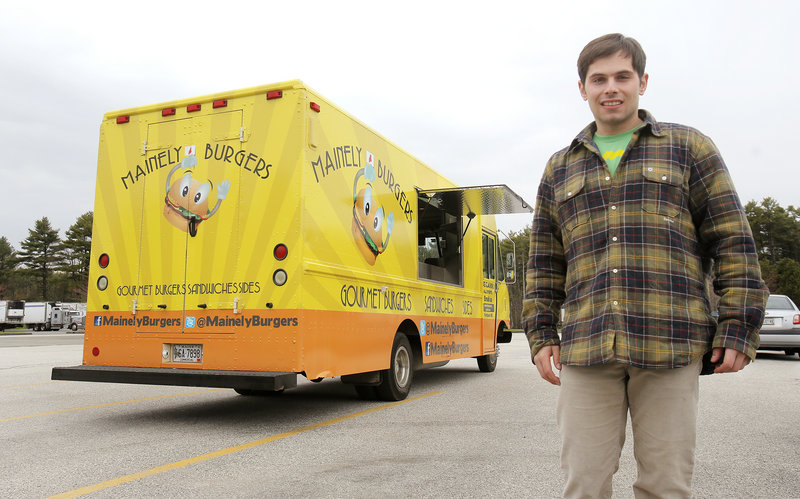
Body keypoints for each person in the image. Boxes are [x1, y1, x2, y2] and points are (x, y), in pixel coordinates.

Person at [523, 33, 768, 498]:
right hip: (587, 346)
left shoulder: (687, 147)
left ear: (642, 81)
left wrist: (738, 327)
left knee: (666, 486)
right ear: (583, 89)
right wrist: (540, 334)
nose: (610, 87)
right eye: (598, 79)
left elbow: (733, 242)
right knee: (584, 485)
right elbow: (543, 262)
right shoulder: (560, 168)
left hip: (670, 342)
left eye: (622, 76)